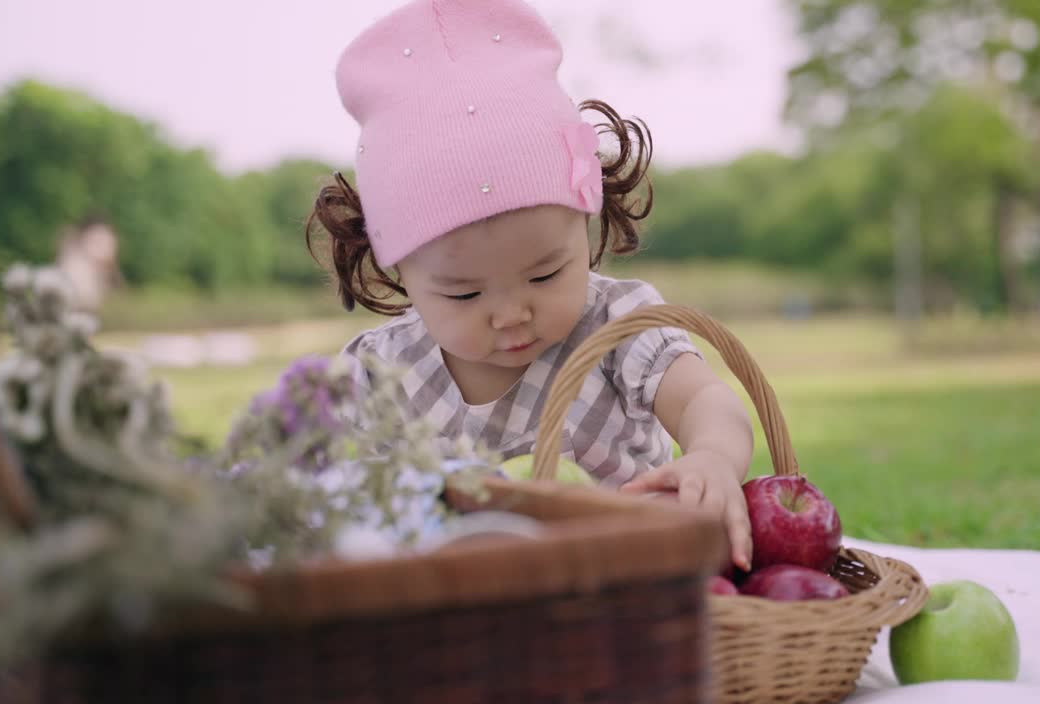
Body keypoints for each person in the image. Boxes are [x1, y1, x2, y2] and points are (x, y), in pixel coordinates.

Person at [306, 0, 754, 570]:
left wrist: (713, 455)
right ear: (400, 273)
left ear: (586, 222)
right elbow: (322, 485)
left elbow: (703, 399)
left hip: (630, 589)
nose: (511, 313)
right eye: (464, 293)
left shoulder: (617, 325)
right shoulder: (382, 374)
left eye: (545, 274)